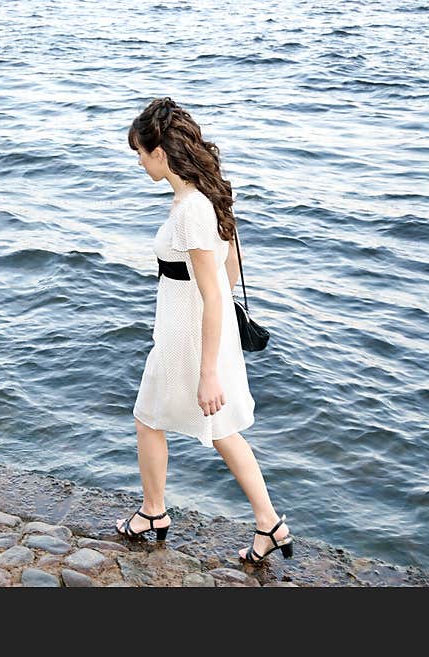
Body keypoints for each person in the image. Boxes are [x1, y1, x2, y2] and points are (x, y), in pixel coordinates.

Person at [115, 96, 294, 564]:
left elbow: (216, 293)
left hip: (189, 340)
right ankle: (268, 524)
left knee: (155, 418)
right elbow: (228, 271)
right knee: (213, 429)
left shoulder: (192, 209)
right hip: (193, 334)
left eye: (139, 152)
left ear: (160, 152)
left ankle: (155, 512)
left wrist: (207, 369)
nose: (137, 161)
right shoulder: (205, 196)